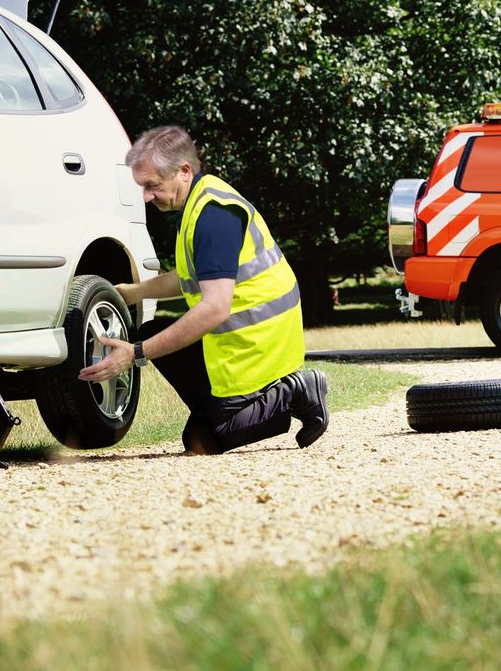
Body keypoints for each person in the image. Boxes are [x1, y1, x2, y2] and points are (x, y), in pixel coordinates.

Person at [78, 125, 329, 455]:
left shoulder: (213, 216)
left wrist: (136, 354)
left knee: (203, 438)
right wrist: (133, 292)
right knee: (152, 329)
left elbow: (214, 308)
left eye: (152, 186)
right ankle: (222, 407)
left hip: (258, 347)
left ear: (184, 171)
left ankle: (295, 391)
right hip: (238, 343)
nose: (146, 197)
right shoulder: (199, 202)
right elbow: (188, 277)